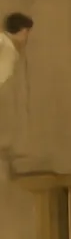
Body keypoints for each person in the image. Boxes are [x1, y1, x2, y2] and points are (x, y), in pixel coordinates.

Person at [0, 12, 33, 173]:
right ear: (20, 31)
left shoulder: (8, 45)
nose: (26, 37)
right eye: (26, 32)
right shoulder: (5, 46)